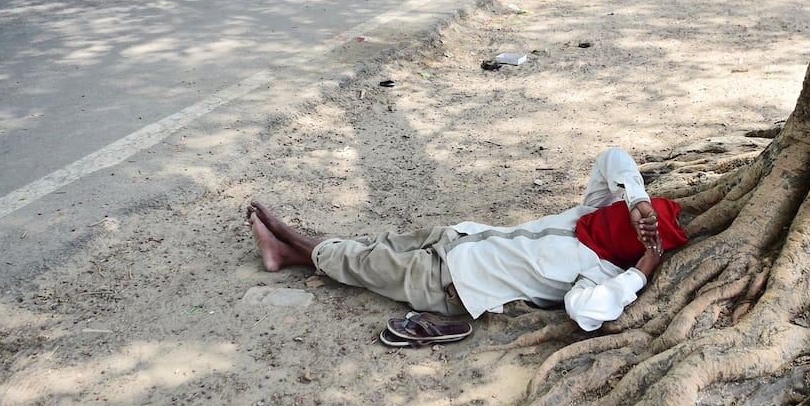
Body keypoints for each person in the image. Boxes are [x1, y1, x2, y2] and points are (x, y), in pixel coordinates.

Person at [245, 147, 689, 331]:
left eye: (632, 228)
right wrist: (638, 199)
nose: (617, 218)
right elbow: (613, 157)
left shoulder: (600, 273)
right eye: (626, 216)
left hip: (448, 282)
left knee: (363, 264)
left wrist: (641, 271)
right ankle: (285, 253)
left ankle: (289, 239)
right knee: (373, 245)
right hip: (458, 237)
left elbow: (586, 311)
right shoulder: (595, 216)